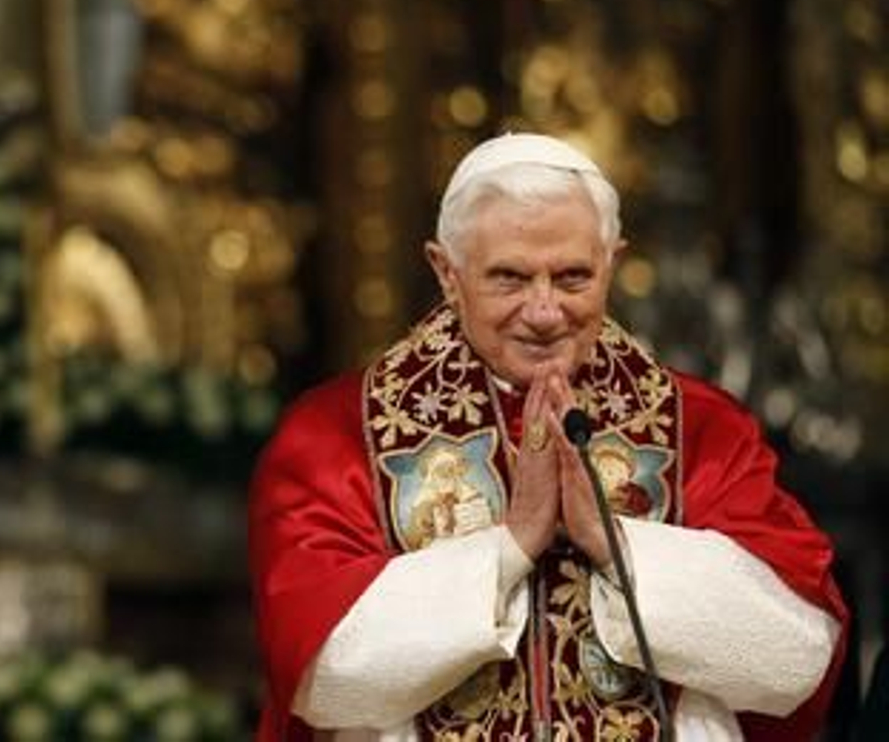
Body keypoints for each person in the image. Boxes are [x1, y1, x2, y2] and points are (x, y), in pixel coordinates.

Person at [248, 132, 848, 741]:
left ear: (612, 263)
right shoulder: (336, 436)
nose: (543, 312)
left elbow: (798, 657)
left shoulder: (701, 428)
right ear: (447, 273)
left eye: (572, 278)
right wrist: (509, 549)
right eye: (509, 278)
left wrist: (616, 547)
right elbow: (322, 676)